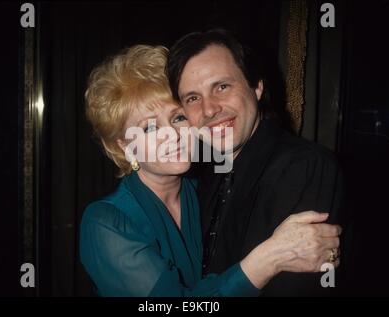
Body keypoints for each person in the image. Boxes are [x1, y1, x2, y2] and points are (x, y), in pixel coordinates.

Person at [80, 44, 342, 296]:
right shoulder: (107, 222)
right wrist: (269, 258)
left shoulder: (205, 189)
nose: (172, 135)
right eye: (149, 128)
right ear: (125, 145)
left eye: (178, 118)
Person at [166, 29, 344, 296]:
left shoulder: (305, 167)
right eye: (193, 98)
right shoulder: (207, 173)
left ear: (257, 87)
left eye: (222, 87)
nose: (209, 109)